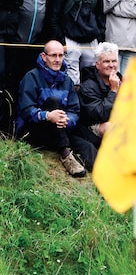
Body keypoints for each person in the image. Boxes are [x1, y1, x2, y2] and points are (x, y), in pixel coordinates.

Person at [16, 40, 96, 177]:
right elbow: (26, 110)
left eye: (61, 55)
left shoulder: (67, 80)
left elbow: (74, 110)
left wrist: (66, 120)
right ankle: (65, 154)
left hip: (59, 130)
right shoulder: (32, 77)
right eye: (53, 55)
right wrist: (47, 116)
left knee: (88, 144)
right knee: (54, 102)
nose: (57, 59)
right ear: (44, 56)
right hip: (33, 130)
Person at [43, 0, 105, 86]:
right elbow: (54, 16)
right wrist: (61, 42)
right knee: (72, 82)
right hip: (70, 40)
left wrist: (100, 40)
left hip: (90, 40)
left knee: (92, 80)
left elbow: (101, 19)